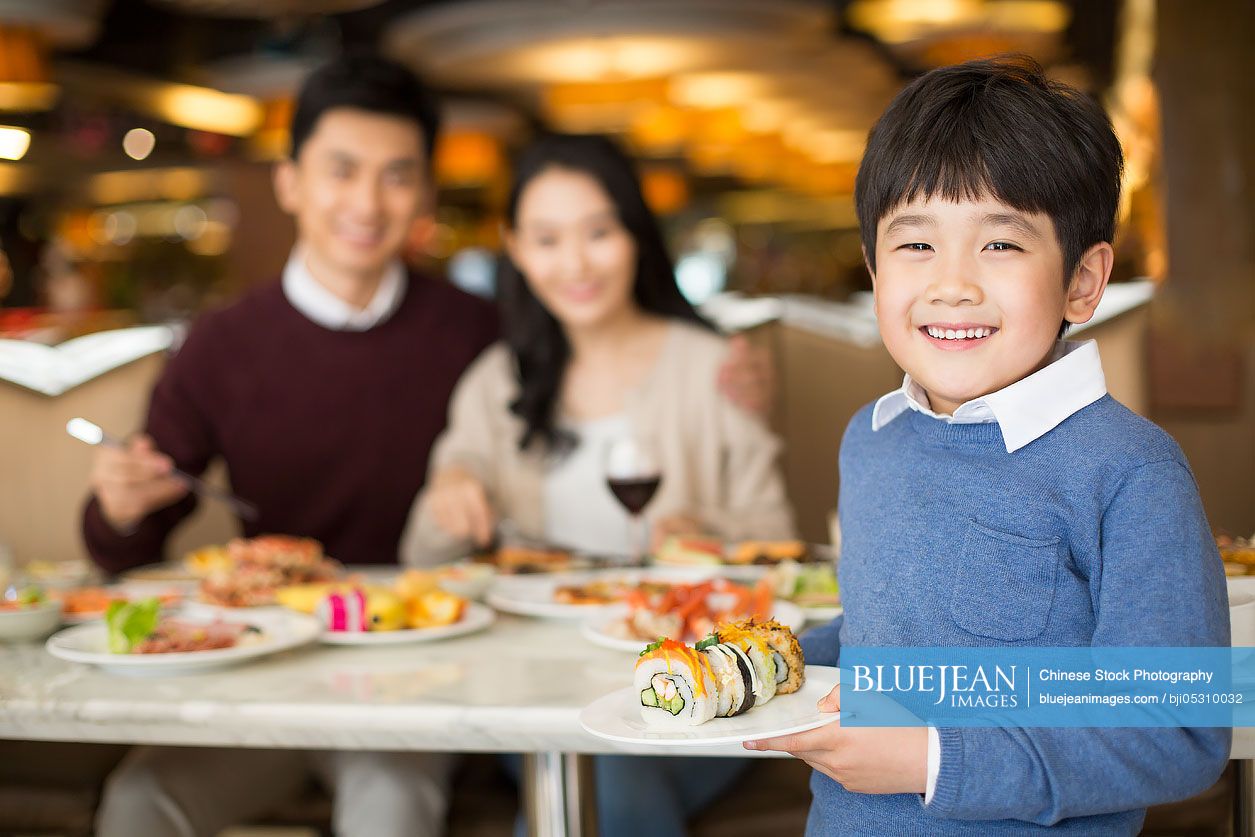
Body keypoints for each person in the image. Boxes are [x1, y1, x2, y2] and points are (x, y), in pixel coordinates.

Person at [84, 54, 774, 837]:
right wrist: (119, 504)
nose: (368, 203)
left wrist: (730, 376)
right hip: (274, 662)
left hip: (435, 670)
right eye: (342, 170)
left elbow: (599, 363)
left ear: (424, 193)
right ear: (290, 180)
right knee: (139, 803)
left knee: (401, 809)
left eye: (396, 175)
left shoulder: (478, 337)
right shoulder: (220, 344)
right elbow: (129, 536)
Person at [748, 57, 1230, 834]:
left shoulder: (1130, 471)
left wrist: (930, 757)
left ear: (1082, 279)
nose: (952, 284)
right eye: (914, 246)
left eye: (999, 245)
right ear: (872, 268)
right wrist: (775, 661)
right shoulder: (869, 441)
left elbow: (1179, 729)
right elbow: (890, 631)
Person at [401, 133, 795, 836]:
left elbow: (782, 552)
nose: (575, 262)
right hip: (535, 684)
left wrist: (704, 538)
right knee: (592, 772)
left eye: (598, 232)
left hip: (699, 672)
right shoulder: (497, 382)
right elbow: (421, 566)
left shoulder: (713, 368)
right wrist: (449, 495)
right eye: (547, 239)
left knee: (607, 785)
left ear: (634, 236)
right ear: (515, 249)